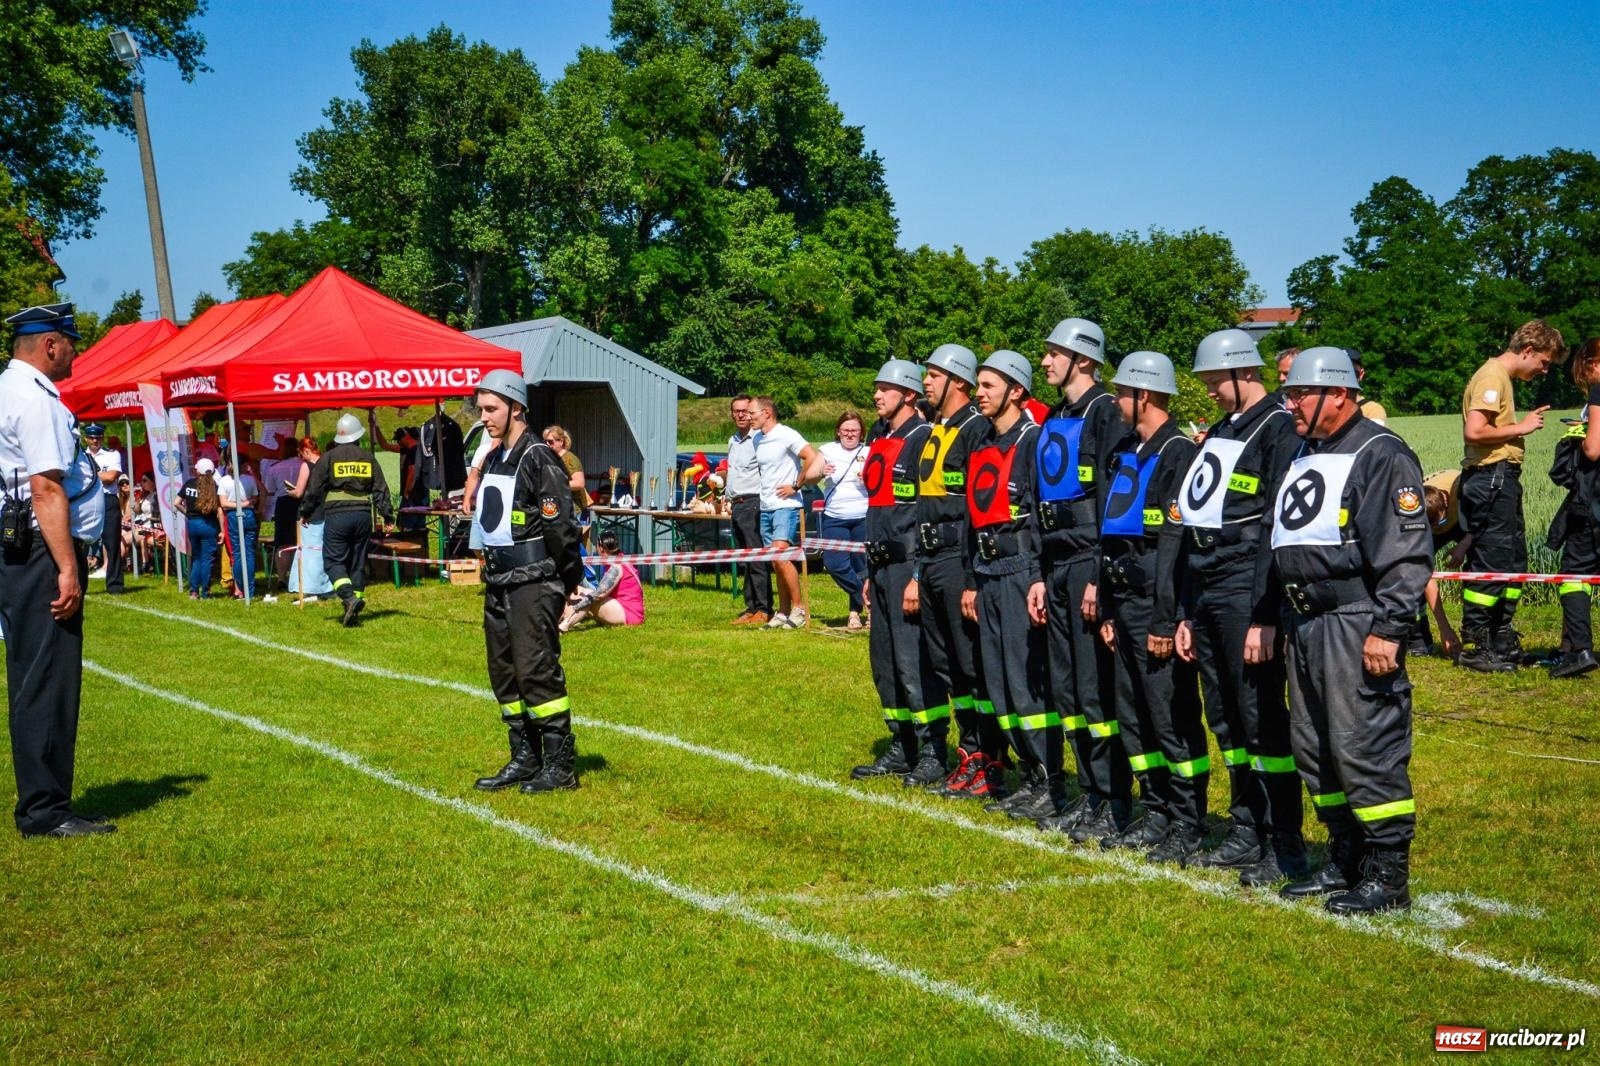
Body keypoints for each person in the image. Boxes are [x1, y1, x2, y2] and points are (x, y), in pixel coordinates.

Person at [1266, 347, 1431, 914]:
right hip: (1305, 623)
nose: (1290, 403)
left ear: (1339, 394)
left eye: (1300, 394)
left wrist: (1389, 628)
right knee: (1315, 748)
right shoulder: (1305, 452)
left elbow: (1406, 553)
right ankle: (1344, 855)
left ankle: (1388, 872)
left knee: (1365, 744)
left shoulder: (1381, 454)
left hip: (1355, 621)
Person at [1174, 328, 1306, 883]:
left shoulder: (1277, 428)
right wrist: (1185, 608)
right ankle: (1245, 824)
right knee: (1224, 715)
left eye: (1212, 382)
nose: (1207, 392)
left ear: (1243, 372)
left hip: (1242, 585)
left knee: (1259, 717)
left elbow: (1276, 528)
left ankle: (1284, 839)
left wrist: (1263, 614)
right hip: (1206, 582)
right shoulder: (1226, 429)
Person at [0, 302, 114, 837]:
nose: (76, 352)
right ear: (50, 344)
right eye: (71, 342)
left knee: (33, 672)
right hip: (41, 549)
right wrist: (68, 567)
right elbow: (45, 487)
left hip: (20, 545)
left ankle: (42, 804)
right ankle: (45, 811)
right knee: (46, 677)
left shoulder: (9, 388)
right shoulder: (36, 399)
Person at [1094, 352, 1210, 860]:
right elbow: (1111, 533)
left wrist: (1166, 617)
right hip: (1123, 600)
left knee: (1169, 715)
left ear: (1145, 395)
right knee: (1132, 713)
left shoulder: (1178, 452)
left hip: (1153, 602)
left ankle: (1188, 819)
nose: (1116, 400)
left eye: (1122, 392)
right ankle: (1156, 809)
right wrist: (1106, 608)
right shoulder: (1127, 450)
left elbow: (1173, 545)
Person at [1032, 317, 1132, 837]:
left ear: (1084, 360)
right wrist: (1038, 571)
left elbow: (1112, 498)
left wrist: (1098, 574)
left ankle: (1113, 797)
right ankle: (1089, 792)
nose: (1045, 361)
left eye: (1054, 353)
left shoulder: (1106, 413)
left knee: (1095, 691)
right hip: (1055, 562)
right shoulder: (1056, 413)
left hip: (1087, 561)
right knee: (1068, 689)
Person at [469, 370, 585, 794]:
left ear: (516, 407)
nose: (484, 417)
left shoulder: (539, 456)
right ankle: (525, 757)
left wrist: (571, 579)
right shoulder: (498, 454)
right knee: (504, 671)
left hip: (534, 579)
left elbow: (561, 528)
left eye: (491, 408)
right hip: (500, 578)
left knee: (536, 669)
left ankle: (559, 765)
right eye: (481, 409)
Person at [963, 351, 1057, 819]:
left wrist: (1038, 576)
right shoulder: (979, 439)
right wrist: (971, 579)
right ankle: (1027, 771)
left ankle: (1051, 776)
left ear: (1016, 391)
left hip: (1021, 569)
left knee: (1026, 684)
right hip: (988, 571)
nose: (978, 393)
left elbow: (1041, 517)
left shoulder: (1034, 440)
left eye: (988, 386)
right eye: (978, 385)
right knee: (999, 685)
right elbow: (969, 516)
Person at [908, 344, 1001, 798]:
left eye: (935, 374)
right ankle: (968, 753)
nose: (925, 381)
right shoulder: (935, 429)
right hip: (930, 560)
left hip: (956, 558)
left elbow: (973, 511)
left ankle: (989, 756)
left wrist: (969, 576)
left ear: (958, 382)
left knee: (970, 664)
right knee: (948, 666)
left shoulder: (975, 430)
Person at [847, 361, 943, 784]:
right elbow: (878, 508)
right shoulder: (881, 437)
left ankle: (933, 750)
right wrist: (871, 570)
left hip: (907, 567)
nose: (876, 396)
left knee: (912, 663)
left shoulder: (922, 439)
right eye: (875, 389)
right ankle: (901, 745)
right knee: (884, 664)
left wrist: (918, 574)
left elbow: (925, 513)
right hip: (881, 565)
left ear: (907, 394)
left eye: (885, 389)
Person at [1457, 320, 1567, 671]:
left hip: (1501, 479)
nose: (1544, 370)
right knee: (1492, 561)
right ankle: (1475, 646)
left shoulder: (1500, 378)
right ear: (1528, 351)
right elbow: (1475, 431)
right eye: (1544, 362)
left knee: (1512, 560)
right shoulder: (1492, 377)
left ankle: (1500, 640)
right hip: (1492, 479)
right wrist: (1521, 428)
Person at [299, 413, 393, 626]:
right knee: (358, 562)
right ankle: (354, 610)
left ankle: (348, 598)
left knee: (333, 560)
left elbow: (314, 489)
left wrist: (305, 512)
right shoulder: (368, 457)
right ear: (358, 435)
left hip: (337, 514)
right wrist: (387, 515)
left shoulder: (329, 458)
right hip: (362, 514)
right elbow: (380, 488)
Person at [1545, 338, 1600, 679]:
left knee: (1574, 574)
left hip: (1593, 501)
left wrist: (1579, 433)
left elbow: (1594, 449)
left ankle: (1579, 650)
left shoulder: (1598, 392)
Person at [750, 396, 825, 629]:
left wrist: (796, 485)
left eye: (753, 413)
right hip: (767, 507)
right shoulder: (757, 439)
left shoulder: (787, 434)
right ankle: (782, 612)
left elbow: (811, 456)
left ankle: (799, 608)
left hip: (787, 506)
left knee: (781, 557)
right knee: (775, 560)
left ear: (767, 413)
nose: (748, 417)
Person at [816, 410, 870, 629]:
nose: (850, 434)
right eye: (846, 430)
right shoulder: (827, 450)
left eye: (854, 431)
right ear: (838, 431)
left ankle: (855, 614)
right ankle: (867, 599)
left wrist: (868, 478)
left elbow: (881, 481)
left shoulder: (869, 451)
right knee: (834, 563)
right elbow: (809, 475)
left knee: (863, 567)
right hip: (835, 516)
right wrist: (820, 471)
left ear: (861, 433)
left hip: (864, 515)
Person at [1411, 469, 1468, 659]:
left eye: (1439, 522)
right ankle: (1419, 638)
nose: (1438, 529)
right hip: (1430, 518)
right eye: (1433, 527)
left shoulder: (1461, 488)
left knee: (1480, 561)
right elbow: (1425, 573)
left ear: (1445, 501)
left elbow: (1484, 522)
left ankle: (1475, 632)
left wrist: (1464, 545)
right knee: (1413, 572)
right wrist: (1444, 628)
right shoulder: (1413, 508)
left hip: (1464, 522)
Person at [726, 395, 773, 626]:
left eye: (745, 411)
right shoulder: (732, 441)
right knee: (744, 559)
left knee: (757, 559)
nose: (741, 415)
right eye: (736, 411)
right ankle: (750, 607)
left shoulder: (760, 439)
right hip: (736, 505)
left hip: (754, 503)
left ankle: (764, 609)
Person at [560, 531, 645, 632]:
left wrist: (577, 607)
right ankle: (562, 619)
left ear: (601, 548)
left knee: (587, 595)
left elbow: (598, 594)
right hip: (621, 607)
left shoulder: (616, 566)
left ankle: (563, 626)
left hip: (629, 614)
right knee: (575, 590)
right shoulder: (618, 558)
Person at [82, 423, 125, 593]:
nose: (95, 440)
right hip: (87, 500)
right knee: (81, 542)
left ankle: (115, 585)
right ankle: (80, 580)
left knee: (112, 543)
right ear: (86, 438)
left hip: (108, 499)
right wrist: (99, 475)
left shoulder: (111, 454)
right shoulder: (80, 456)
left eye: (98, 437)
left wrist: (89, 474)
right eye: (91, 437)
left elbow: (111, 477)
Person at [217, 457, 263, 601]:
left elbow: (223, 503)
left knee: (237, 554)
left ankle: (240, 589)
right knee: (249, 553)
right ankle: (249, 588)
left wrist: (238, 504)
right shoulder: (249, 480)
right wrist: (246, 503)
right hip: (248, 514)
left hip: (233, 516)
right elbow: (255, 497)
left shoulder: (224, 480)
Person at [176, 458, 222, 599]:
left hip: (193, 524)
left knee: (197, 558)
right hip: (209, 524)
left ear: (198, 471)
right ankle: (205, 592)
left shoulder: (190, 483)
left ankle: (193, 591)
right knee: (207, 559)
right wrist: (222, 530)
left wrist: (188, 514)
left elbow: (176, 503)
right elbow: (219, 510)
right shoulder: (214, 486)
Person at [542, 425, 590, 542]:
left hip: (574, 511)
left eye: (551, 441)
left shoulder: (569, 459)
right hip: (559, 509)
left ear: (561, 441)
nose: (547, 445)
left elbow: (579, 483)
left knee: (575, 546)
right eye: (545, 441)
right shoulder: (552, 458)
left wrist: (556, 485)